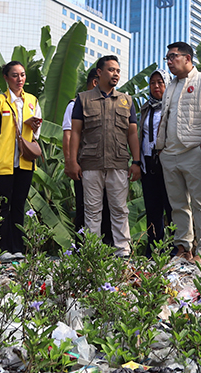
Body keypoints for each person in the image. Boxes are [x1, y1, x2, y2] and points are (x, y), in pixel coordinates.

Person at [67, 55, 141, 257]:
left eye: (117, 70)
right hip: (90, 163)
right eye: (111, 70)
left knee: (119, 209)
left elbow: (132, 133)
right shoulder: (83, 99)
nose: (115, 74)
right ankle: (93, 252)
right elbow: (75, 132)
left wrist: (136, 162)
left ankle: (122, 251)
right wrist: (72, 161)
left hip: (118, 163)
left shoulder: (127, 101)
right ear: (99, 73)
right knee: (92, 210)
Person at [155, 42, 201, 262]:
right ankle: (183, 247)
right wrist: (161, 149)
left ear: (188, 58)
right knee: (178, 204)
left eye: (173, 57)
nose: (169, 61)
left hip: (194, 151)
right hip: (169, 153)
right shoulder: (170, 86)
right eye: (168, 58)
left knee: (200, 202)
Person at [0, 61, 41, 261]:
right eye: (15, 75)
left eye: (23, 75)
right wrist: (1, 153)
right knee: (3, 206)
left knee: (19, 204)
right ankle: (2, 249)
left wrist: (33, 126)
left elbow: (38, 132)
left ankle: (18, 247)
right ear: (6, 78)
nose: (20, 79)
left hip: (25, 162)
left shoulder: (32, 101)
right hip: (4, 162)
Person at [62, 68, 114, 243]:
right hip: (84, 166)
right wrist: (71, 162)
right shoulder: (76, 104)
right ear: (95, 81)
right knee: (85, 207)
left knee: (108, 207)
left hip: (107, 165)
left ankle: (106, 250)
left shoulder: (112, 103)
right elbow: (68, 135)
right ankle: (83, 250)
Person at [139, 70, 172, 253]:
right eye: (152, 83)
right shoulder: (145, 108)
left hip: (168, 162)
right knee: (152, 210)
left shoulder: (172, 106)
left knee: (172, 208)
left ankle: (177, 249)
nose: (156, 86)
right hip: (148, 164)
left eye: (160, 82)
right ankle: (153, 250)